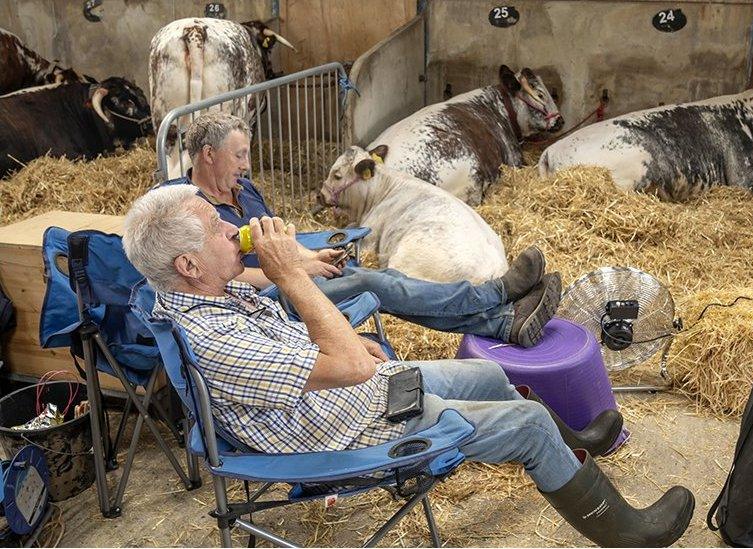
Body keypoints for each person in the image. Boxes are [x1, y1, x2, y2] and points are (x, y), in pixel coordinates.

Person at [122, 185, 695, 547]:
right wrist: (293, 276)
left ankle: (576, 445)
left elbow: (316, 353)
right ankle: (627, 534)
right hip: (347, 430)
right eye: (219, 228)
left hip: (346, 396)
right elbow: (343, 366)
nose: (233, 227)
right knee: (529, 426)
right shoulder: (212, 332)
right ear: (188, 264)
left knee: (493, 377)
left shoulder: (210, 292)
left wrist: (332, 335)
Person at [157, 112, 560, 347]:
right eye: (239, 155)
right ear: (208, 155)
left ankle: (505, 323)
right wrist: (294, 272)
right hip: (257, 305)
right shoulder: (185, 208)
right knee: (380, 285)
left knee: (381, 285)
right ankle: (496, 296)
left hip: (287, 278)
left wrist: (312, 257)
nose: (246, 165)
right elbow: (218, 279)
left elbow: (276, 243)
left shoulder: (244, 192)